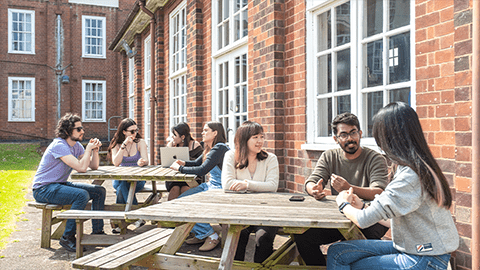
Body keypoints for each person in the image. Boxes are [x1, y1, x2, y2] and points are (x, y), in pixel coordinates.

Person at [328, 102, 459, 269]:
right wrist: (362, 206)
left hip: (425, 259)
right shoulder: (416, 166)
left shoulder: (410, 177)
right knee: (337, 252)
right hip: (415, 249)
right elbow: (393, 218)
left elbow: (363, 221)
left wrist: (343, 203)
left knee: (353, 265)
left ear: (389, 138)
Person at [293, 112, 390, 266]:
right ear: (336, 139)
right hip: (339, 218)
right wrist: (314, 189)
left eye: (353, 133)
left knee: (348, 248)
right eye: (343, 135)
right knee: (303, 237)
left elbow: (378, 192)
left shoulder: (375, 158)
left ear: (360, 134)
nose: (350, 138)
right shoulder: (329, 156)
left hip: (371, 219)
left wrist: (348, 188)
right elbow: (311, 181)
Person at [32, 113, 105, 252]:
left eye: (82, 128)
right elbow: (81, 168)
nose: (82, 131)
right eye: (78, 129)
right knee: (81, 195)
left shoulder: (76, 145)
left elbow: (93, 166)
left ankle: (97, 231)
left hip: (58, 184)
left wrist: (95, 151)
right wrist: (88, 149)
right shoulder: (59, 145)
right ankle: (67, 237)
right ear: (67, 131)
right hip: (43, 189)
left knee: (99, 191)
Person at [222, 121, 279, 263]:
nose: (260, 141)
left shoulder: (270, 158)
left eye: (262, 137)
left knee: (264, 240)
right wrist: (259, 186)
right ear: (243, 139)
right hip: (240, 210)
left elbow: (272, 186)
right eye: (255, 137)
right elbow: (227, 185)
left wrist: (246, 184)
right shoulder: (231, 156)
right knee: (238, 238)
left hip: (266, 210)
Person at [170, 121, 229, 252]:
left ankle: (211, 235)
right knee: (179, 202)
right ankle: (201, 233)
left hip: (219, 189)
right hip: (209, 185)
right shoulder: (209, 147)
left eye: (206, 130)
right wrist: (184, 162)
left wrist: (180, 168)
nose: (202, 133)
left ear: (215, 133)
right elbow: (197, 162)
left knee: (190, 204)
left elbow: (202, 170)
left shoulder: (220, 148)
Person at [107, 118, 149, 232]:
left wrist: (142, 162)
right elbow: (116, 163)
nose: (135, 134)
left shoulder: (140, 142)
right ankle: (136, 217)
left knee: (121, 189)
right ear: (124, 132)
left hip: (137, 180)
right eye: (132, 131)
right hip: (120, 179)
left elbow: (146, 160)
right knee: (122, 184)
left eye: (136, 130)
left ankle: (120, 224)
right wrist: (123, 145)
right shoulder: (116, 144)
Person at [165, 122, 203, 200]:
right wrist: (171, 148)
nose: (172, 137)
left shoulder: (195, 145)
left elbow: (201, 164)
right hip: (174, 177)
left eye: (175, 135)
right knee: (174, 189)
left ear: (182, 137)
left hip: (192, 178)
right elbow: (166, 163)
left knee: (185, 189)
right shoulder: (171, 145)